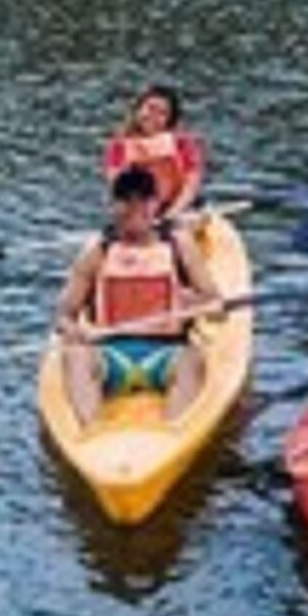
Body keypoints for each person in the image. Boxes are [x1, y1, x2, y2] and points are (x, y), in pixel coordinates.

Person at [53, 166, 221, 431]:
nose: (134, 209)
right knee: (75, 356)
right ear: (113, 206)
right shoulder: (96, 251)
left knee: (193, 359)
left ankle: (173, 434)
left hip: (168, 355)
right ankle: (91, 432)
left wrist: (196, 304)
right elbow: (63, 316)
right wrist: (73, 331)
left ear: (155, 204)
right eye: (125, 201)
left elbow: (217, 307)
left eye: (142, 200)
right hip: (109, 356)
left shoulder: (180, 246)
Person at [101, 84, 205, 217]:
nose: (154, 117)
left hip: (180, 211)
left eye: (162, 113)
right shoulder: (118, 146)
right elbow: (116, 185)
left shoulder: (183, 144)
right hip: (138, 214)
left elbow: (191, 186)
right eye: (150, 108)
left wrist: (170, 216)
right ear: (138, 110)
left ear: (170, 119)